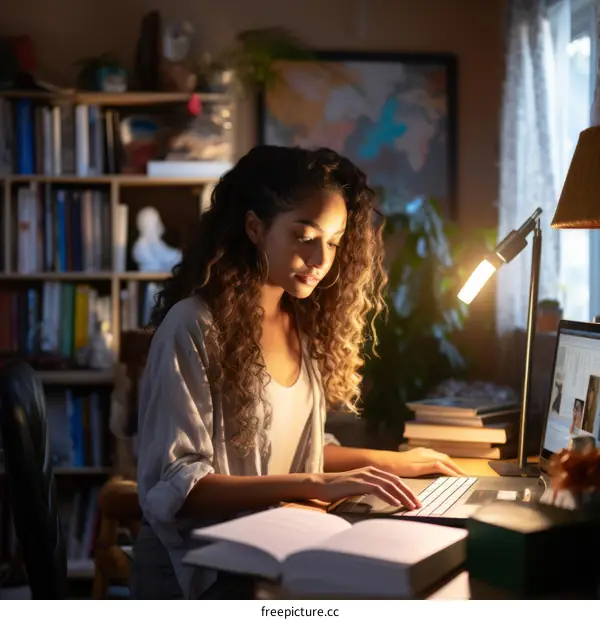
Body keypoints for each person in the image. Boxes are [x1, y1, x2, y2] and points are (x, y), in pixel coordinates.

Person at [131, 145, 465, 600]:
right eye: (304, 235)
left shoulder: (298, 323)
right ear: (255, 227)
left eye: (333, 241)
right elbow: (180, 486)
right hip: (201, 571)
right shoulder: (193, 326)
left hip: (276, 550)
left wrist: (394, 463)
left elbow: (298, 449)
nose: (321, 258)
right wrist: (317, 484)